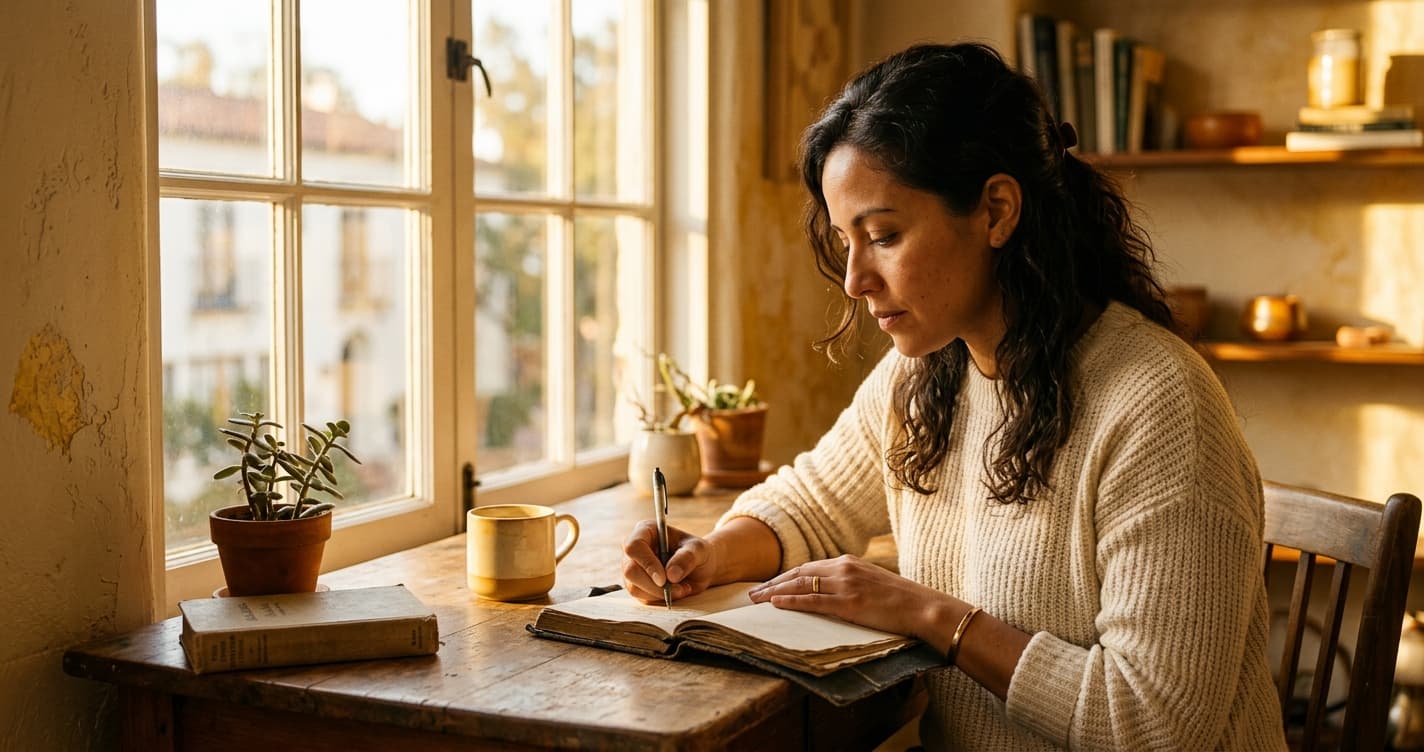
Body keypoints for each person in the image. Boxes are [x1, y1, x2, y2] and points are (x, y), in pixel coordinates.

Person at [622, 42, 1285, 750]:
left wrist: (926, 614)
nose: (855, 281)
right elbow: (814, 503)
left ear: (997, 210)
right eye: (847, 240)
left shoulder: (1159, 406)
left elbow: (1152, 727)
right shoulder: (930, 369)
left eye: (883, 235)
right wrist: (711, 554)